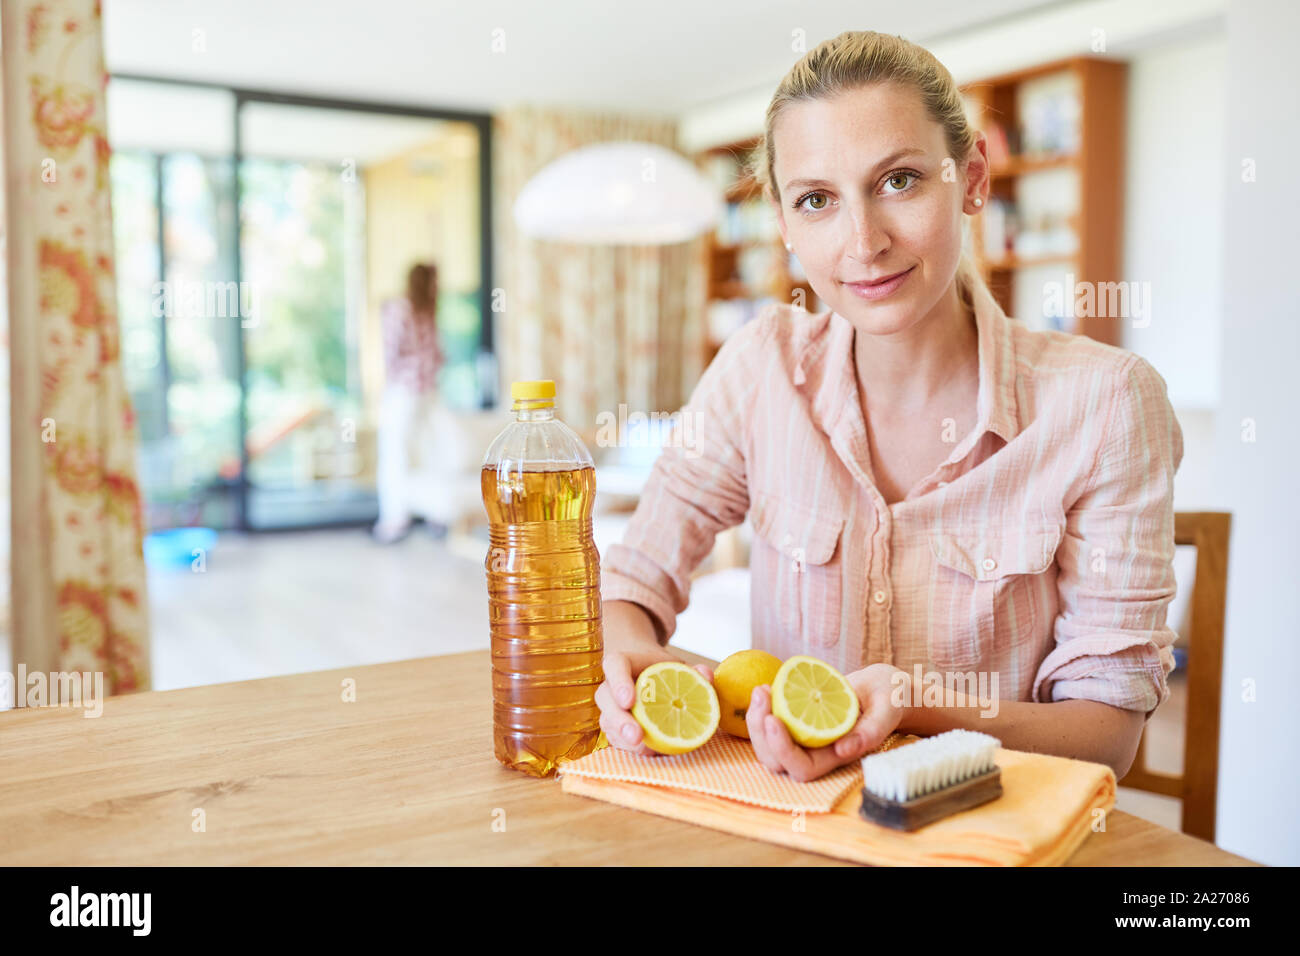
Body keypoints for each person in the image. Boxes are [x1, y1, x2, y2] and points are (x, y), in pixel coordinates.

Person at [595, 31, 1184, 783]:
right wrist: (631, 650)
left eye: (900, 181)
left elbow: (1107, 736)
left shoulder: (1105, 404)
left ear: (971, 178)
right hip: (794, 826)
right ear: (782, 222)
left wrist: (911, 706)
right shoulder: (759, 368)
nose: (864, 242)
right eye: (816, 200)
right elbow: (634, 579)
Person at [373, 262, 445, 544]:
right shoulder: (421, 311)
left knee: (396, 454)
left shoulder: (405, 309)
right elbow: (436, 354)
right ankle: (432, 516)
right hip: (423, 391)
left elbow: (391, 353)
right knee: (427, 453)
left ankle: (395, 521)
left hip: (406, 392)